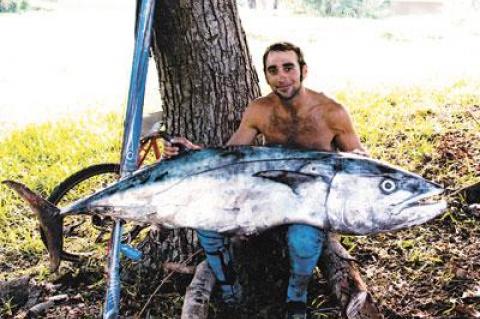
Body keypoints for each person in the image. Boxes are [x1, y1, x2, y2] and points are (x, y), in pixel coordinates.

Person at [163, 42, 367, 319]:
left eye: (288, 68)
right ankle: (228, 288)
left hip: (310, 201)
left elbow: (358, 160)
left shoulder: (332, 112)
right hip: (266, 195)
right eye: (273, 70)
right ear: (266, 76)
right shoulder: (259, 110)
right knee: (207, 219)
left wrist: (361, 158)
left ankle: (297, 297)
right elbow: (232, 156)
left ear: (303, 70)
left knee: (303, 238)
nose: (282, 76)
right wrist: (192, 153)